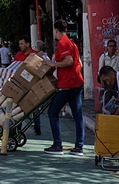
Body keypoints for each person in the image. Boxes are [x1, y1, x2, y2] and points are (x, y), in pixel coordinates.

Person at [44, 19, 85, 156]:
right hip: (77, 83)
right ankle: (79, 146)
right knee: (77, 115)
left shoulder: (62, 43)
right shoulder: (72, 43)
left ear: (56, 30)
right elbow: (78, 63)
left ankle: (57, 145)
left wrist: (53, 64)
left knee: (52, 112)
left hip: (67, 84)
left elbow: (69, 61)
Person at [98, 39, 119, 104]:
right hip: (108, 79)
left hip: (116, 78)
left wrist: (118, 52)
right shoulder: (103, 56)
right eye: (110, 46)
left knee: (117, 94)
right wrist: (101, 80)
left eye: (113, 46)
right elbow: (100, 69)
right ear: (107, 47)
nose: (112, 48)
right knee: (108, 94)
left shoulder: (117, 56)